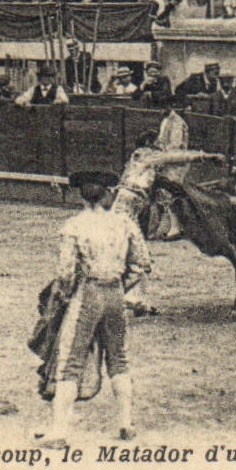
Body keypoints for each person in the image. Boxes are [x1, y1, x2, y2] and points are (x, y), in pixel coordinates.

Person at [38, 170, 152, 447]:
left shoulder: (74, 226)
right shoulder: (124, 224)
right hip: (115, 294)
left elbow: (65, 274)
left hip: (87, 295)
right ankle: (126, 425)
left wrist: (64, 298)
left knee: (70, 362)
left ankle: (59, 433)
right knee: (119, 358)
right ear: (106, 194)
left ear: (82, 196)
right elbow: (141, 265)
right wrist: (120, 287)